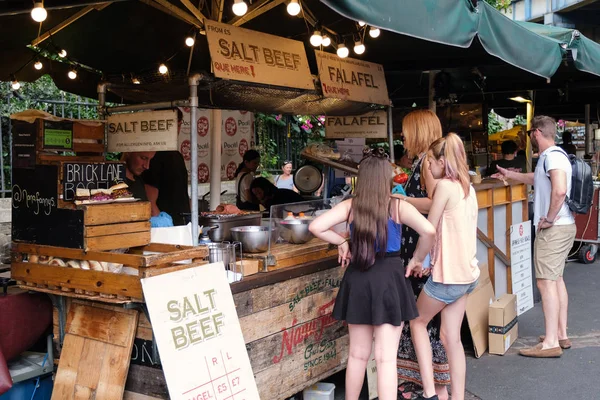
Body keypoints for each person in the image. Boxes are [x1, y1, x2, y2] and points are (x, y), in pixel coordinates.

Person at [309, 148, 436, 400]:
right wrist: (417, 259)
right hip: (389, 279)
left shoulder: (350, 206)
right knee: (386, 359)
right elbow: (429, 231)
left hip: (358, 278)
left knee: (357, 355)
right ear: (386, 178)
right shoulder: (397, 207)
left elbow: (315, 226)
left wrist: (341, 242)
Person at [493, 115, 576, 358]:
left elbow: (559, 189)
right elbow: (537, 179)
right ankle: (560, 333)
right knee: (556, 279)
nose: (529, 138)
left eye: (530, 133)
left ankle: (550, 342)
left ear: (537, 133)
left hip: (554, 228)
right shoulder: (552, 157)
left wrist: (549, 218)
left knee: (545, 282)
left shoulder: (551, 156)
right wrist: (510, 174)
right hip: (563, 226)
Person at [407, 133, 480, 400]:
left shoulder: (444, 188)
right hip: (467, 274)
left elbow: (429, 231)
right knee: (451, 337)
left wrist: (417, 260)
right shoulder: (467, 187)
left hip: (449, 278)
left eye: (430, 163)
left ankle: (430, 393)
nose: (429, 168)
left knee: (417, 321)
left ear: (441, 160)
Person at [392, 110, 449, 400]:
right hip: (418, 250)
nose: (402, 136)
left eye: (405, 130)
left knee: (418, 319)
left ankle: (429, 387)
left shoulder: (427, 161)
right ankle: (430, 386)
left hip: (419, 251)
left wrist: (403, 199)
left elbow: (433, 203)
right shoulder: (425, 160)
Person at [143, 150, 191, 226]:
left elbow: (183, 190)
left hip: (179, 223)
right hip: (170, 224)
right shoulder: (155, 156)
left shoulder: (175, 155)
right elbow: (151, 203)